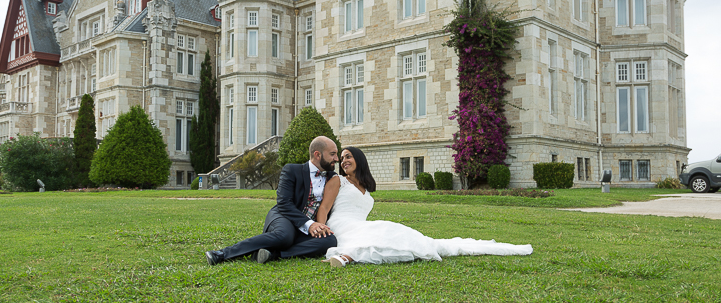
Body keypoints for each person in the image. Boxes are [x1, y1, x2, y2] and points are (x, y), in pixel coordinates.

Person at [315, 146, 533, 267]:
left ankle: (348, 256)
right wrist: (319, 230)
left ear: (359, 160)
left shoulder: (367, 187)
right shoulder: (337, 180)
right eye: (341, 158)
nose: (343, 161)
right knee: (387, 229)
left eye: (348, 157)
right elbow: (324, 208)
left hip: (360, 225)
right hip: (342, 225)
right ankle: (347, 255)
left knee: (392, 233)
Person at [205, 136, 339, 265]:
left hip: (308, 227)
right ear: (317, 155)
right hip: (284, 216)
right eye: (332, 154)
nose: (336, 159)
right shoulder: (292, 170)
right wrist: (310, 224)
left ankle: (273, 254)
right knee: (284, 237)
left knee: (329, 240)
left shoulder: (332, 178)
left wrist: (317, 225)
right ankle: (222, 254)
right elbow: (284, 203)